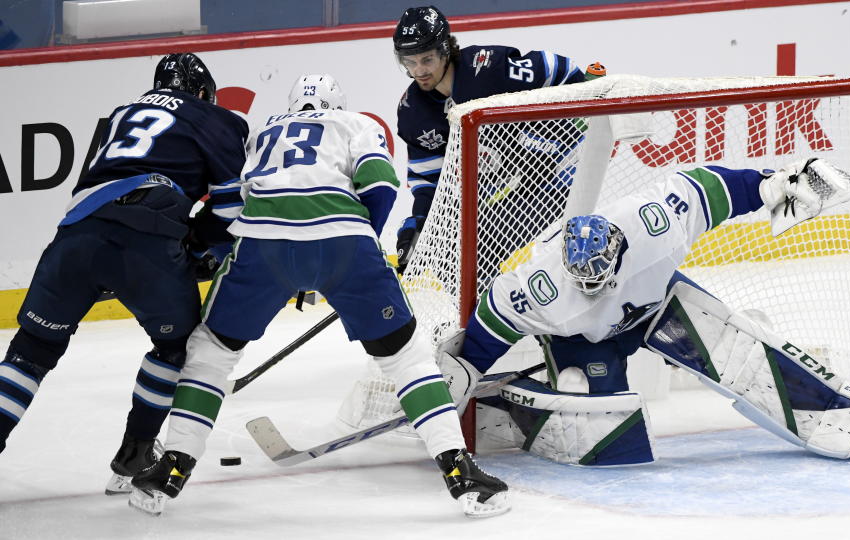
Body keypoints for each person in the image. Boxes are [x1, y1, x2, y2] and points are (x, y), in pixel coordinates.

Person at [127, 74, 510, 519]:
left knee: (211, 351)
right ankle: (460, 474)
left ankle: (170, 470)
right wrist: (358, 247)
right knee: (406, 358)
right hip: (343, 239)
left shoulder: (268, 127)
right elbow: (381, 185)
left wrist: (245, 259)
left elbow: (236, 196)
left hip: (262, 242)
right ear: (337, 101)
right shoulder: (353, 122)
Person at [439, 157, 850, 466]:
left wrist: (777, 184)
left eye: (600, 277)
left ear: (619, 250)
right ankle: (502, 411)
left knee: (741, 347)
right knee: (610, 442)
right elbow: (489, 328)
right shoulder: (543, 287)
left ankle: (833, 416)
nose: (592, 289)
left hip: (656, 305)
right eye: (584, 283)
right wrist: (462, 378)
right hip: (582, 340)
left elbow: (713, 188)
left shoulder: (653, 222)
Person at [0, 53, 248, 492]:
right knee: (177, 347)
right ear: (205, 93)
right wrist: (196, 243)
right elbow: (229, 208)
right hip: (149, 238)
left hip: (77, 234)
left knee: (30, 351)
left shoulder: (122, 114)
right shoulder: (217, 119)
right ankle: (136, 450)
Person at [392, 5, 586, 273]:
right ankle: (477, 313)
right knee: (447, 253)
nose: (419, 71)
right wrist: (419, 222)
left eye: (426, 59)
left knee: (481, 246)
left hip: (558, 172)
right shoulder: (414, 111)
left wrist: (552, 135)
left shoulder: (487, 69)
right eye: (410, 62)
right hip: (513, 179)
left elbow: (564, 71)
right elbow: (429, 180)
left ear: (445, 50)